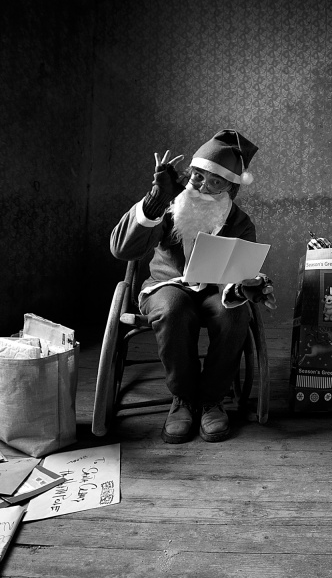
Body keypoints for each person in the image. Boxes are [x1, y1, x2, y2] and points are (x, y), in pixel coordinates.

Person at [110, 129, 276, 444]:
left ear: (231, 188)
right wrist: (156, 199)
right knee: (173, 309)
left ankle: (212, 399)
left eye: (216, 182)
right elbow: (122, 249)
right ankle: (183, 399)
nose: (203, 187)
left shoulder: (240, 222)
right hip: (166, 286)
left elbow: (241, 270)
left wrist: (248, 284)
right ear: (189, 174)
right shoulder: (170, 204)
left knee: (234, 313)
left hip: (216, 289)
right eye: (198, 176)